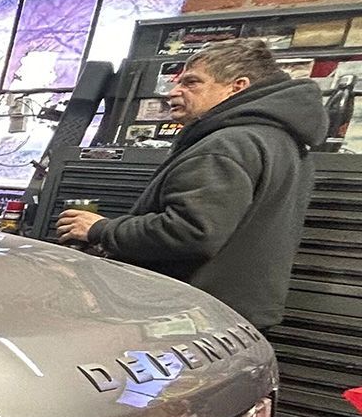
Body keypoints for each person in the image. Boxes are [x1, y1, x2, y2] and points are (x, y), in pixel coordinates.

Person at [54, 39, 326, 332]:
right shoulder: (282, 142)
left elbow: (190, 232)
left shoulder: (227, 144)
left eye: (192, 82)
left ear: (237, 86)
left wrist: (100, 229)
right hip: (235, 315)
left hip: (193, 317)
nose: (174, 92)